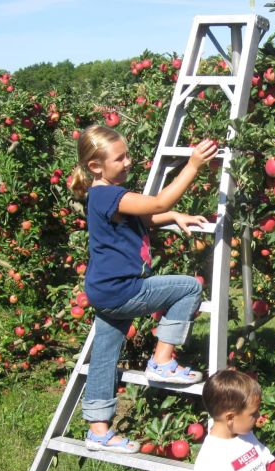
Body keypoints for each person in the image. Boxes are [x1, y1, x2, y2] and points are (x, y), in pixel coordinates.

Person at [69, 124, 218, 454]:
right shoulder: (109, 194)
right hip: (123, 288)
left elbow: (146, 217)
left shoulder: (102, 196)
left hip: (103, 290)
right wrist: (192, 165)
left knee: (106, 356)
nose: (128, 162)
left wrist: (174, 216)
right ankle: (162, 360)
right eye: (120, 158)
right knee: (188, 288)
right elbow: (155, 203)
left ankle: (98, 429)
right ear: (96, 166)